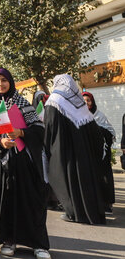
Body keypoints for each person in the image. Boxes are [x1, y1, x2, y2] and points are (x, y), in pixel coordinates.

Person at [0, 68, 50, 259]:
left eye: (4, 80)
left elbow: (39, 130)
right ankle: (9, 240)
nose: (0, 84)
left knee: (31, 202)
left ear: (11, 81)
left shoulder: (22, 103)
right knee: (5, 203)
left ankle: (38, 244)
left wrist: (21, 133)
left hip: (24, 163)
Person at [44, 74, 105, 225]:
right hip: (84, 153)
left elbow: (50, 128)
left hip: (64, 152)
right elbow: (94, 131)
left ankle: (72, 212)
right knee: (85, 182)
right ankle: (91, 213)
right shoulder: (80, 103)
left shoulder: (54, 100)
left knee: (62, 179)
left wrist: (46, 147)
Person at [82, 92, 115, 214]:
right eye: (84, 100)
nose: (86, 103)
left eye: (88, 100)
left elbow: (110, 132)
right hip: (88, 154)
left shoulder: (99, 115)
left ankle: (107, 204)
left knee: (104, 178)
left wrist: (94, 128)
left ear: (93, 102)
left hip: (102, 154)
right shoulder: (78, 116)